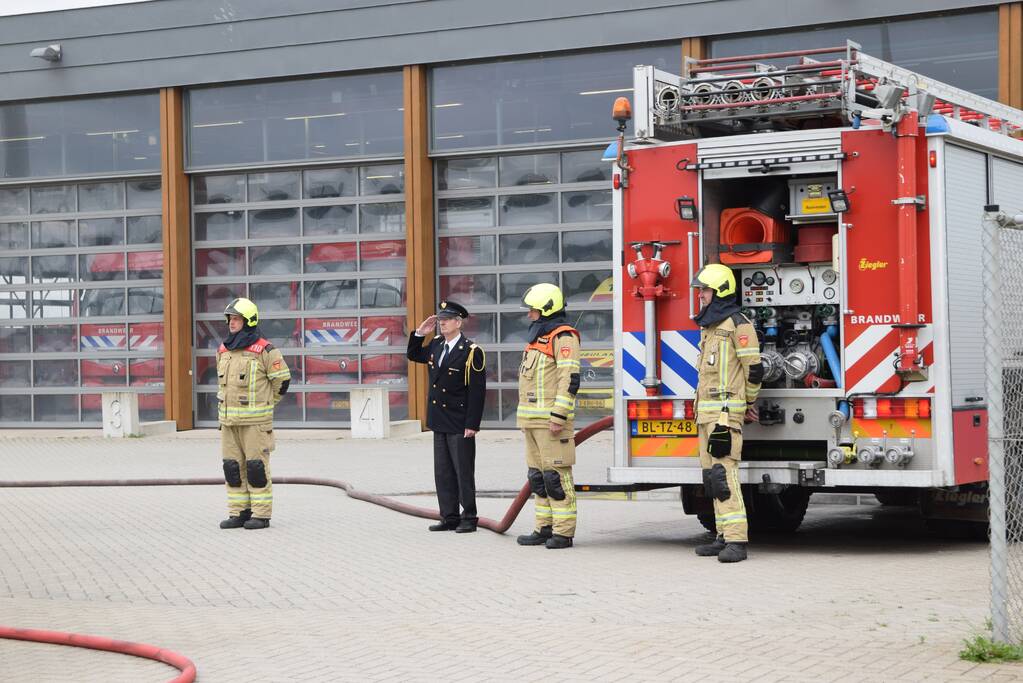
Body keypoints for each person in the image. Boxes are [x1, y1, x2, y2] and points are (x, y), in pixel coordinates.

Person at [690, 264, 763, 563]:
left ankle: (736, 541)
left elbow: (754, 369)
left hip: (724, 414)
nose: (701, 296)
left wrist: (748, 403)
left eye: (704, 291)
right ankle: (722, 535)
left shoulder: (738, 324)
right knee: (711, 478)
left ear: (719, 291)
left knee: (724, 475)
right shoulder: (709, 327)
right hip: (705, 415)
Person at [407, 300, 487, 533]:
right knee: (442, 472)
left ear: (458, 322)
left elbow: (477, 391)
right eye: (440, 319)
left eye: (446, 319)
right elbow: (413, 354)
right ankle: (449, 516)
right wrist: (420, 333)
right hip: (439, 418)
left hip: (460, 420)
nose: (441, 323)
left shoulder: (471, 351)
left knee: (462, 471)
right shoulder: (437, 344)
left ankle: (469, 517)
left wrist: (472, 424)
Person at [514, 283, 581, 550]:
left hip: (551, 422)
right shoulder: (537, 338)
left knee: (556, 478)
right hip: (531, 421)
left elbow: (569, 379)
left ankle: (563, 533)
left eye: (533, 310)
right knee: (538, 478)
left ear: (546, 309)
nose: (530, 315)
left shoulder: (564, 337)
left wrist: (559, 415)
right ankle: (544, 528)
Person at [216, 297, 291, 530]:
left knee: (256, 469)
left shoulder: (265, 350)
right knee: (232, 469)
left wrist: (266, 404)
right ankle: (239, 512)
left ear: (249, 321)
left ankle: (261, 515)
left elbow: (282, 382)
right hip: (229, 423)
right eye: (230, 319)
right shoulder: (223, 350)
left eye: (236, 319)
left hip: (256, 424)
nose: (232, 323)